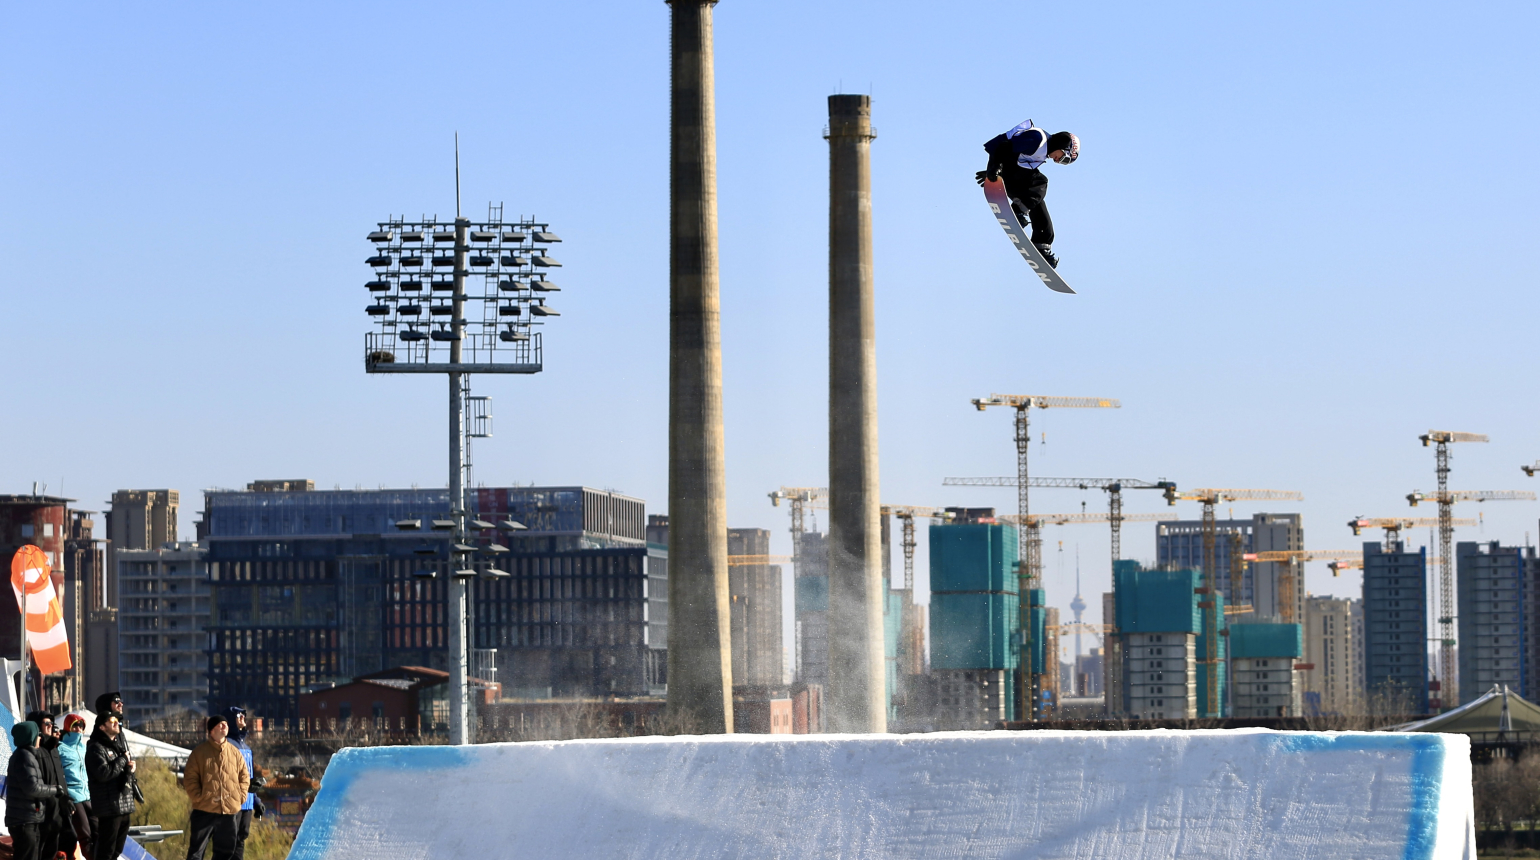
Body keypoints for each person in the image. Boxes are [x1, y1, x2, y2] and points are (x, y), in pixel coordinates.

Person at [975, 119, 1080, 268]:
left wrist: (997, 172)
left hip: (1011, 174)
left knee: (1037, 201)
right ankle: (1018, 211)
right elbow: (1002, 148)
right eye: (1063, 158)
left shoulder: (1043, 150)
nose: (1058, 161)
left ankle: (1042, 243)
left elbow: (1016, 160)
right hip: (1004, 168)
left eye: (1063, 162)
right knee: (1041, 182)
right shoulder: (1037, 140)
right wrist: (994, 168)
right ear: (1062, 146)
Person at [183, 715, 249, 860]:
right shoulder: (199, 753)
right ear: (211, 730)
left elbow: (244, 777)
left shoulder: (234, 753)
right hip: (204, 810)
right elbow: (189, 779)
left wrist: (240, 797)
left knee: (225, 853)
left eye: (226, 724)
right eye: (220, 724)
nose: (225, 726)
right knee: (196, 852)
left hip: (228, 811)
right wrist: (199, 797)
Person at [6, 721, 70, 860]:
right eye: (38, 735)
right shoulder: (24, 757)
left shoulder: (26, 755)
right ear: (31, 736)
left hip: (28, 818)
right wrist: (54, 790)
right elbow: (32, 788)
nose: (40, 738)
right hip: (24, 819)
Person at [86, 713, 136, 860]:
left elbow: (119, 770)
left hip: (123, 805)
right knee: (105, 852)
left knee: (117, 850)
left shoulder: (117, 746)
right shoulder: (95, 748)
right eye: (112, 721)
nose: (116, 723)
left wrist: (130, 769)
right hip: (109, 807)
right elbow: (103, 773)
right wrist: (123, 760)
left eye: (118, 721)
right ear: (102, 727)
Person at [224, 707, 266, 860]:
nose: (242, 718)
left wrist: (256, 801)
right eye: (238, 716)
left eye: (242, 716)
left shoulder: (245, 747)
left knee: (241, 840)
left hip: (246, 803)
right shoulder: (226, 745)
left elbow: (248, 777)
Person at [59, 713, 95, 860]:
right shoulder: (60, 748)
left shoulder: (83, 748)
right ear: (68, 726)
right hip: (73, 796)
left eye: (81, 726)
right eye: (75, 725)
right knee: (85, 835)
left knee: (98, 832)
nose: (79, 729)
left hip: (87, 795)